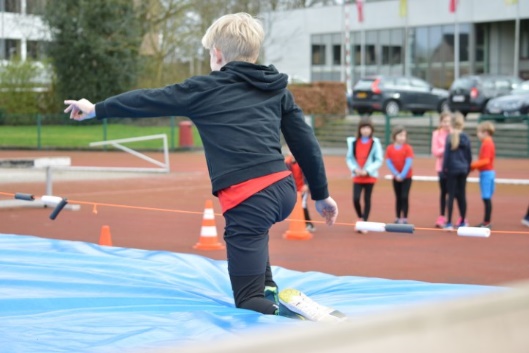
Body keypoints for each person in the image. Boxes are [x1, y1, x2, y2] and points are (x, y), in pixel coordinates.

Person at [63, 13, 339, 321]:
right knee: (255, 237)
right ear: (254, 53)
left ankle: (296, 318)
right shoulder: (276, 89)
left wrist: (96, 110)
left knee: (247, 298)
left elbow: (148, 100)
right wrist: (321, 194)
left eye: (210, 53)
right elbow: (305, 143)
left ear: (218, 54)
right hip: (283, 190)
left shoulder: (205, 88)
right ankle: (270, 288)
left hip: (250, 197)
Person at [346, 118, 383, 233]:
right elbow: (349, 158)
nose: (366, 130)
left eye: (368, 128)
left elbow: (378, 159)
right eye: (363, 128)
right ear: (359, 129)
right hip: (357, 176)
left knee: (367, 199)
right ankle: (360, 217)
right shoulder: (353, 142)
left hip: (370, 176)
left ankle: (365, 222)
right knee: (356, 198)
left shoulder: (375, 143)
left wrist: (367, 170)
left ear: (371, 130)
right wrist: (354, 169)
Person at [442, 113, 472, 231]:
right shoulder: (466, 137)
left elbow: (447, 156)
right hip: (463, 170)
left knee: (451, 195)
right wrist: (467, 168)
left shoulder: (450, 137)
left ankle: (449, 222)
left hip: (452, 170)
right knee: (462, 195)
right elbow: (469, 156)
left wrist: (445, 169)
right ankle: (463, 221)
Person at [385, 125, 414, 224]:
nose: (402, 138)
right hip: (396, 178)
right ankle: (397, 217)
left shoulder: (408, 148)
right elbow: (389, 162)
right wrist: (396, 174)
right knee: (398, 197)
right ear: (395, 136)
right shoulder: (390, 148)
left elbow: (408, 163)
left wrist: (402, 175)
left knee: (404, 196)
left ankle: (405, 217)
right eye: (400, 135)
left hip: (407, 178)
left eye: (404, 136)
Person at [470, 121, 496, 229]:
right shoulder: (489, 143)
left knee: (486, 198)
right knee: (487, 198)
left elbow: (485, 160)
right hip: (488, 172)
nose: (478, 135)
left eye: (479, 132)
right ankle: (486, 221)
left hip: (486, 173)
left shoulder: (487, 144)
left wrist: (472, 166)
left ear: (485, 132)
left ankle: (486, 222)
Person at [284, 149, 315, 232]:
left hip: (302, 188)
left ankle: (309, 224)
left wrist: (306, 185)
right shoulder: (287, 162)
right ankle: (299, 223)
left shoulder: (302, 162)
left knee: (303, 205)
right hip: (294, 189)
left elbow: (308, 174)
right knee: (295, 206)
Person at [431, 111, 452, 228]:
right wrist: (446, 148)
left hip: (453, 168)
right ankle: (442, 216)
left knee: (453, 193)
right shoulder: (436, 134)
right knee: (444, 192)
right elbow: (435, 151)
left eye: (449, 121)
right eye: (444, 121)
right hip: (441, 168)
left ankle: (455, 216)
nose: (447, 124)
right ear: (441, 122)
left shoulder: (454, 133)